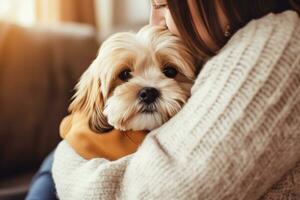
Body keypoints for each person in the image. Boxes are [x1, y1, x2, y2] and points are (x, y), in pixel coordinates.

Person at [28, 0, 300, 199]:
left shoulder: (275, 47)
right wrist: (66, 153)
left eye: (169, 72)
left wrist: (65, 158)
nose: (154, 21)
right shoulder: (220, 48)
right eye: (125, 75)